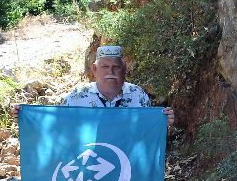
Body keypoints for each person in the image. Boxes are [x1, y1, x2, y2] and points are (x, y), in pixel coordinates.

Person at [14, 45, 174, 128]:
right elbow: (57, 127)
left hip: (127, 167)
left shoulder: (138, 96)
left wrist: (163, 123)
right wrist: (26, 117)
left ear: (124, 69)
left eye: (116, 67)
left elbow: (148, 133)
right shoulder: (77, 97)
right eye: (105, 66)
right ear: (95, 69)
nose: (110, 71)